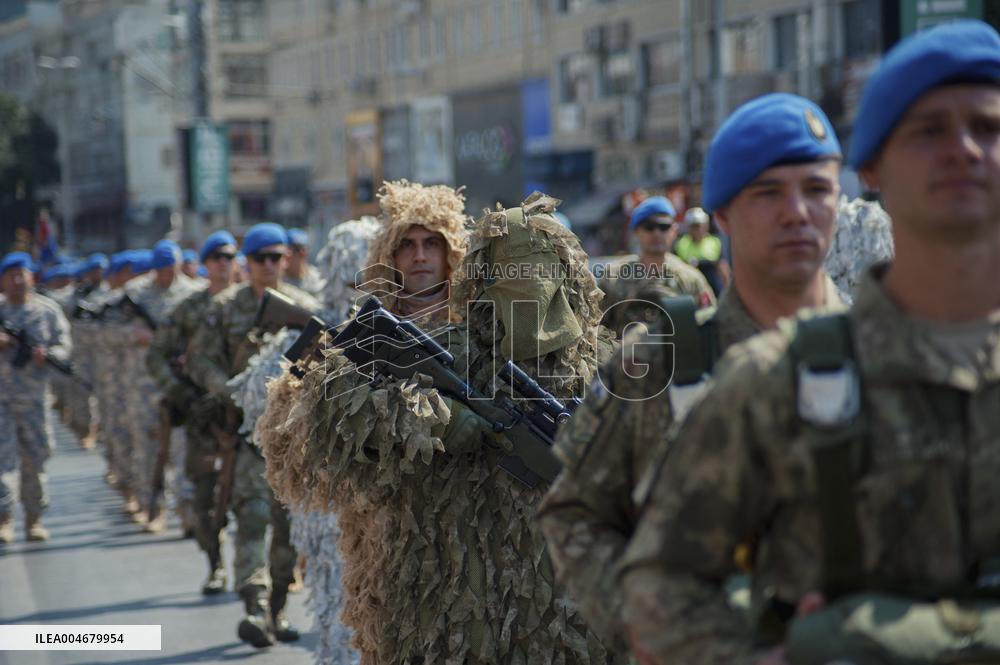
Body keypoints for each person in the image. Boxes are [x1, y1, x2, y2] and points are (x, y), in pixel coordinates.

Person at [619, 20, 1000, 665]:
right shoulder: (775, 380)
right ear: (873, 168)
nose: (963, 150)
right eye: (929, 131)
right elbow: (658, 582)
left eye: (988, 129)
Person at [537, 92, 847, 657]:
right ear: (724, 212)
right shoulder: (658, 363)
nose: (797, 212)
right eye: (769, 192)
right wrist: (661, 629)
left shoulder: (883, 350)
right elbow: (572, 514)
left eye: (817, 189)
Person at [259, 189, 624, 664]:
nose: (420, 257)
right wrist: (429, 418)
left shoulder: (553, 347)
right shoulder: (394, 333)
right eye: (406, 245)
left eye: (431, 244)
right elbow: (320, 415)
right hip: (416, 550)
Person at [187, 223, 319, 648]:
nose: (268, 266)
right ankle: (254, 605)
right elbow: (200, 360)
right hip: (245, 437)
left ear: (285, 260)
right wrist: (227, 387)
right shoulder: (225, 308)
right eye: (259, 258)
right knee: (252, 517)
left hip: (293, 440)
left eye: (275, 258)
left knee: (287, 530)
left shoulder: (305, 309)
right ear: (248, 263)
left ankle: (277, 608)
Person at [147, 230, 237, 594]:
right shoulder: (188, 309)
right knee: (202, 498)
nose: (223, 264)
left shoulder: (254, 302)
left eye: (229, 257)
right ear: (205, 264)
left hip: (247, 415)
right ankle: (215, 564)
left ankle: (260, 570)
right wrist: (178, 392)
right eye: (216, 258)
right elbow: (155, 355)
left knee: (256, 498)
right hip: (204, 416)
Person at [124, 239, 200, 532]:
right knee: (147, 448)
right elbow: (106, 328)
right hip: (144, 384)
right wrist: (134, 334)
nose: (167, 275)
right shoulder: (135, 294)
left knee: (183, 448)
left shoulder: (193, 292)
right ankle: (153, 509)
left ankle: (186, 510)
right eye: (162, 270)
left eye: (172, 268)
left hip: (180, 382)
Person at [0, 252, 72, 543]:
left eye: (23, 274)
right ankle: (4, 519)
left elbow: (64, 347)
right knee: (3, 462)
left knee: (35, 460)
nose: (18, 280)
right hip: (1, 400)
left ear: (31, 277)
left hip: (34, 400)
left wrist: (48, 355)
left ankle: (34, 518)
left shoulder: (47, 310)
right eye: (11, 275)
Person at [598, 196, 715, 338]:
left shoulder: (690, 278)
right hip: (625, 356)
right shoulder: (614, 276)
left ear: (674, 230)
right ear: (637, 231)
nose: (657, 233)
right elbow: (596, 327)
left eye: (664, 227)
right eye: (649, 227)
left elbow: (709, 324)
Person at [674, 206, 728, 294]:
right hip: (690, 289)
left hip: (713, 289)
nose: (697, 230)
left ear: (706, 225)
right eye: (693, 226)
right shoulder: (680, 244)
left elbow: (723, 268)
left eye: (699, 225)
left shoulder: (715, 243)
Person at [283, 228, 325, 296]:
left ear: (303, 253)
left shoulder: (318, 279)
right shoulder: (277, 280)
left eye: (290, 253)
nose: (286, 257)